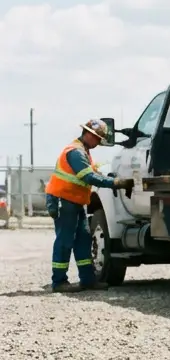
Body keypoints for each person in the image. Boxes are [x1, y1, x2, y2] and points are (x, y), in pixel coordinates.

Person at [44, 119, 134, 292]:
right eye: (97, 138)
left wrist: (110, 178)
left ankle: (87, 280)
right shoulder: (75, 152)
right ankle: (59, 281)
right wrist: (116, 183)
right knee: (65, 241)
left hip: (75, 201)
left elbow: (93, 173)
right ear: (88, 134)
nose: (98, 142)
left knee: (83, 240)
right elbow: (89, 177)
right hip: (64, 200)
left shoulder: (83, 152)